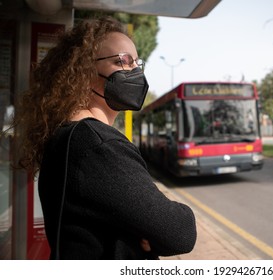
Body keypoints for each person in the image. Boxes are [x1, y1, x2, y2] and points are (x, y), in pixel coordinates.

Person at [14, 16, 197, 259]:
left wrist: (151, 230)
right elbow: (181, 231)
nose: (135, 72)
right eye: (122, 61)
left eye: (137, 64)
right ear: (83, 71)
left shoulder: (69, 135)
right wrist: (150, 234)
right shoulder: (97, 144)